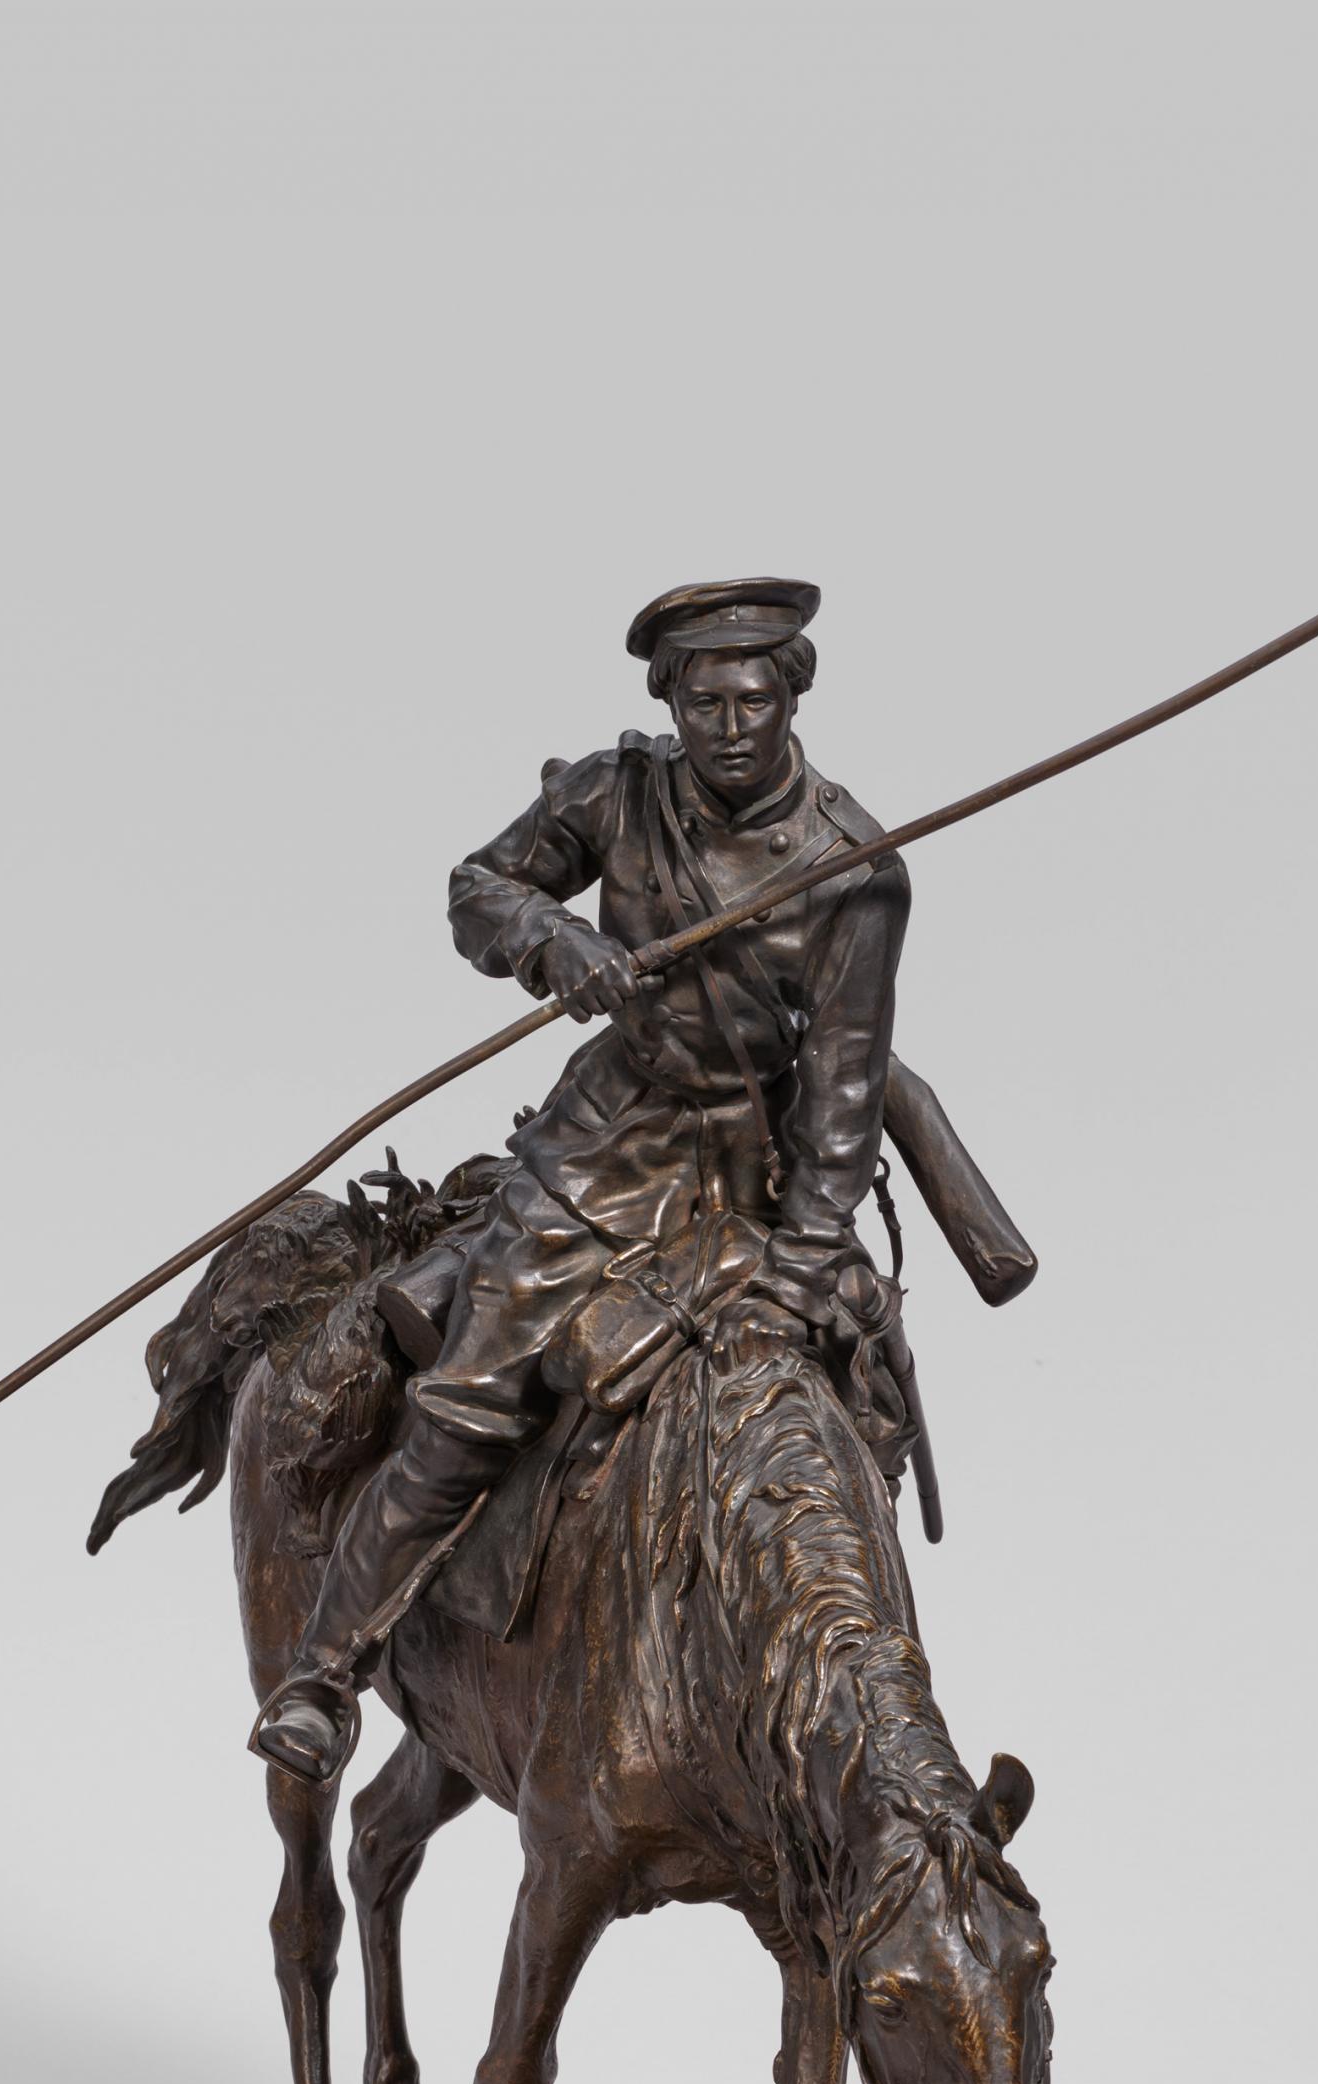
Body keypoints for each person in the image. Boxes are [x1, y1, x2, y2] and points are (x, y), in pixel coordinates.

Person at [249, 577, 910, 1781]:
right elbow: (479, 888)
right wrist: (554, 940)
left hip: (753, 1191)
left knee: (856, 1424)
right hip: (601, 1161)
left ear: (792, 696)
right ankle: (324, 1675)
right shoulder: (615, 794)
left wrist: (809, 1258)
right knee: (464, 1409)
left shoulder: (853, 870)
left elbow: (844, 1090)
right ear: (671, 701)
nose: (729, 727)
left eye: (752, 700)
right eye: (704, 703)